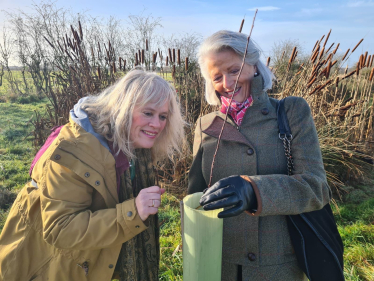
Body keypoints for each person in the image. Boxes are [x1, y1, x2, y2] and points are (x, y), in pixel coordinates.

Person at [0, 68, 185, 281]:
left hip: (79, 263)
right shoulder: (74, 150)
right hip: (41, 266)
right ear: (123, 107)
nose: (157, 124)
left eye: (163, 116)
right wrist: (133, 211)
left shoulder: (130, 148)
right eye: (148, 113)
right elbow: (60, 229)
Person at [188, 30, 331, 280]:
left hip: (276, 265)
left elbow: (316, 188)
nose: (227, 83)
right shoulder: (205, 125)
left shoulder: (291, 112)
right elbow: (196, 195)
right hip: (219, 262)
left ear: (254, 65)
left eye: (234, 70)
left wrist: (253, 190)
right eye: (217, 77)